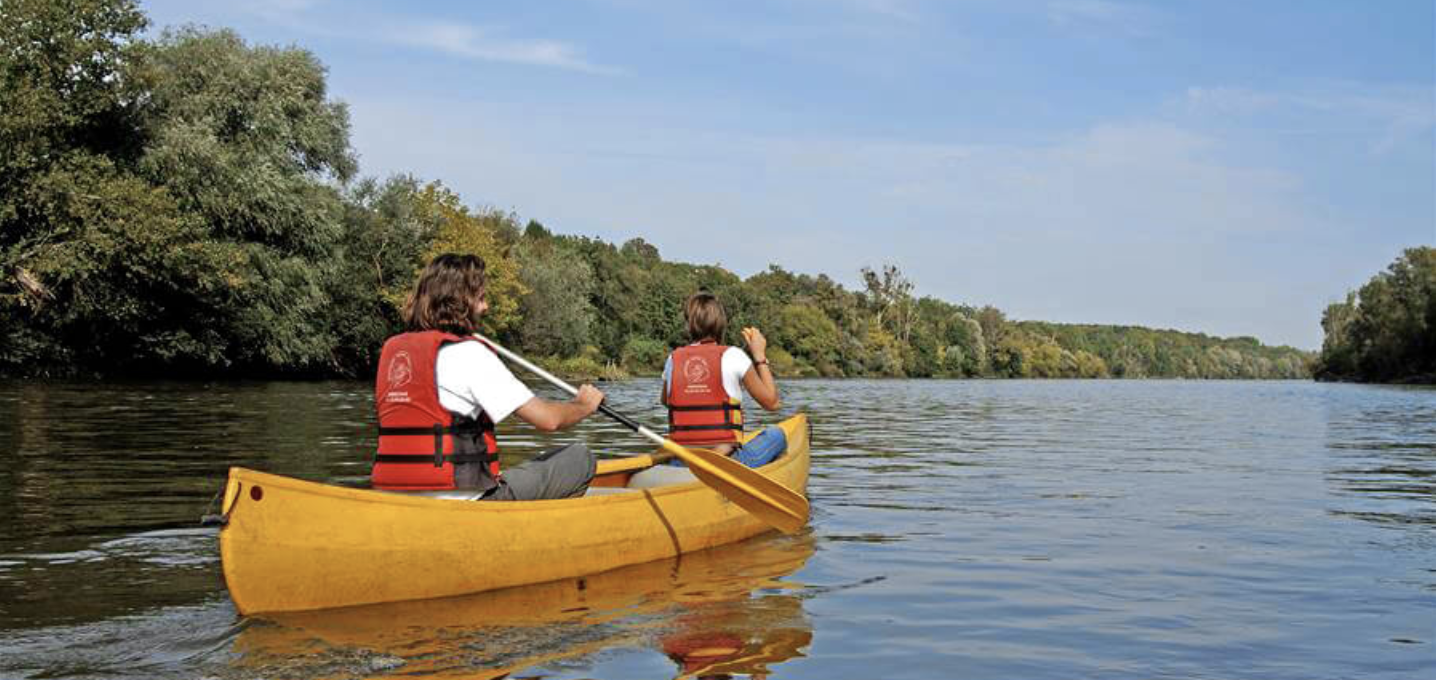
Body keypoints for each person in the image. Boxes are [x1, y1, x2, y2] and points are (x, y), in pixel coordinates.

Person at [372, 253, 604, 500]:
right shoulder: (469, 353)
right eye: (480, 298)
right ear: (460, 301)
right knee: (580, 458)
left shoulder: (392, 349)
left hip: (394, 498)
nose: (486, 307)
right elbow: (548, 420)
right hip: (468, 503)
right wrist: (583, 405)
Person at [661, 291, 781, 457]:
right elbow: (772, 403)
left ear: (689, 325)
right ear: (721, 324)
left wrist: (695, 394)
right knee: (777, 434)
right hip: (725, 462)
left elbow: (667, 401)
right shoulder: (734, 355)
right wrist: (759, 356)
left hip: (685, 456)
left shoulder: (673, 358)